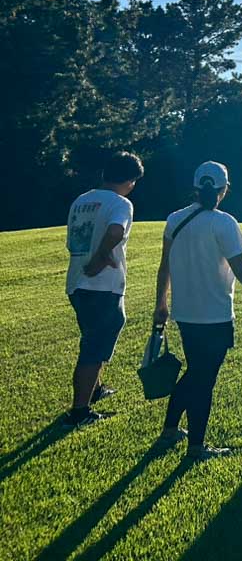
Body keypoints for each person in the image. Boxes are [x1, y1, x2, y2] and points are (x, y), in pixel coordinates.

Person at [153, 161, 242, 460]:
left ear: (196, 187)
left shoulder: (175, 219)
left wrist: (161, 302)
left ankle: (170, 430)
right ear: (224, 190)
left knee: (195, 373)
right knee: (203, 379)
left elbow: (165, 266)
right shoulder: (224, 222)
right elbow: (239, 265)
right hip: (215, 314)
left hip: (185, 312)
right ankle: (196, 447)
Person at [64, 151, 144, 427]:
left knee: (91, 337)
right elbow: (115, 232)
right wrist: (100, 259)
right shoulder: (121, 203)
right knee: (94, 348)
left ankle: (95, 389)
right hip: (102, 285)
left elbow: (73, 240)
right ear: (130, 181)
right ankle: (79, 412)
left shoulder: (81, 200)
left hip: (76, 282)